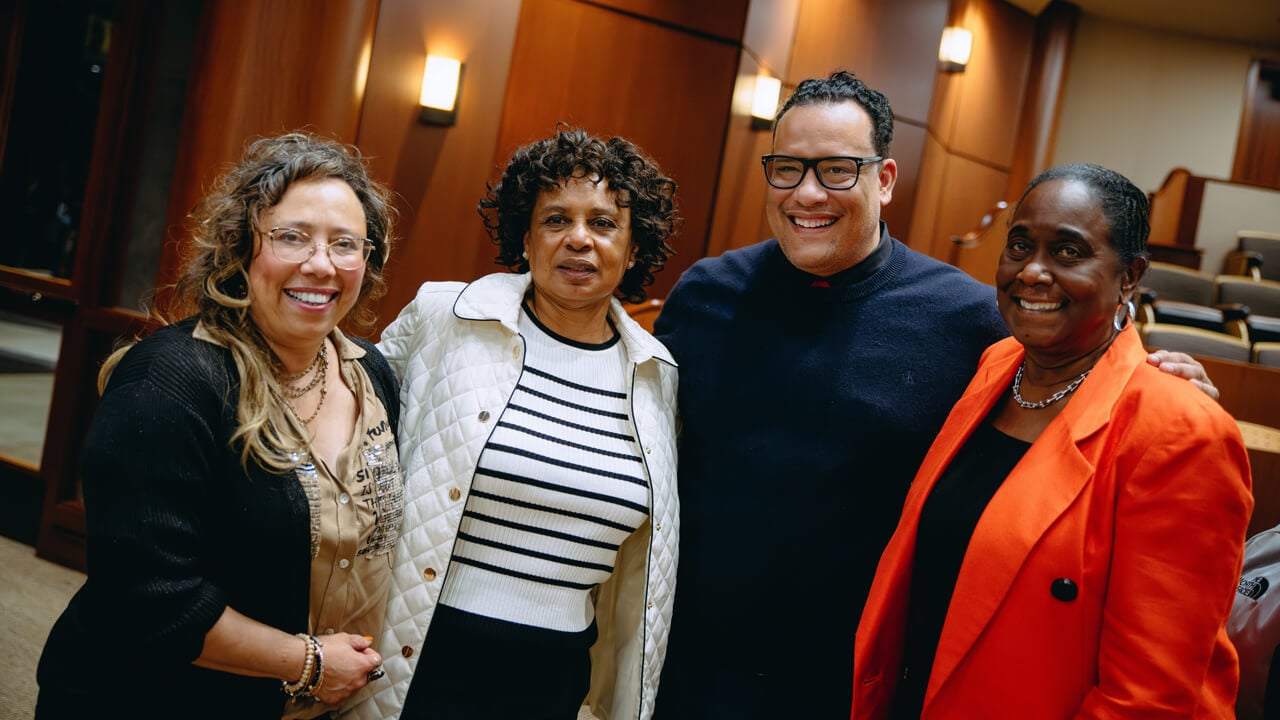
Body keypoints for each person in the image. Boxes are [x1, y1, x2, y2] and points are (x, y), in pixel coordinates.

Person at [652, 71, 1217, 718]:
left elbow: (1072, 374)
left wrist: (1160, 383)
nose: (807, 192)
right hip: (687, 662)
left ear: (885, 180)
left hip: (855, 682)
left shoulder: (972, 323)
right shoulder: (703, 294)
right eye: (787, 168)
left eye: (837, 170)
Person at [852, 162, 1252, 718]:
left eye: (1069, 252)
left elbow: (1149, 698)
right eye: (1020, 245)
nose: (1033, 272)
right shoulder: (997, 366)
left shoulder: (1181, 431)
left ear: (1130, 275)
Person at [35, 132, 403, 720]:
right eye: (291, 237)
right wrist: (308, 662)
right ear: (241, 248)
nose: (320, 264)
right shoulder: (171, 381)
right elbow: (148, 599)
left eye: (345, 244)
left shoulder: (371, 373)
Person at [341, 127, 680, 720]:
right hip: (416, 651)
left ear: (632, 250)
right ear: (525, 237)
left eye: (603, 224)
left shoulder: (657, 375)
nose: (579, 239)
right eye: (556, 220)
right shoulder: (445, 318)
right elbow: (349, 438)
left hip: (553, 676)